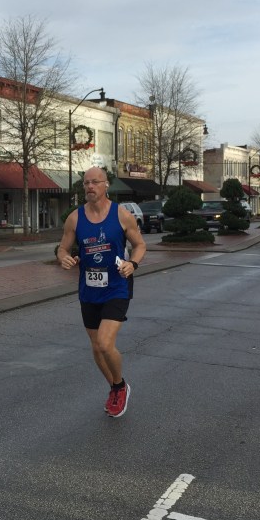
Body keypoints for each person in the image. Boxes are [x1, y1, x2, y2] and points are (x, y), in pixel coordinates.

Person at [57, 167, 146, 418]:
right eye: (86, 183)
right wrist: (64, 258)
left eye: (95, 182)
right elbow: (62, 248)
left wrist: (133, 263)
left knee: (106, 343)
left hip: (117, 285)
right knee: (96, 347)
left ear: (106, 185)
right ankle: (116, 388)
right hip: (89, 289)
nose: (90, 186)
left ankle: (120, 385)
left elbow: (140, 245)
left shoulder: (122, 215)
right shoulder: (75, 218)